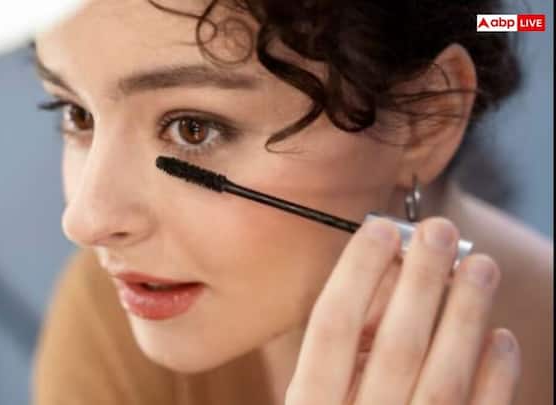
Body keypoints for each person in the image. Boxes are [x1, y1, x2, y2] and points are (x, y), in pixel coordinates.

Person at [30, 1, 553, 404]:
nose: (85, 221)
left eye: (193, 128)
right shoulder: (110, 316)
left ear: (425, 121)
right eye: (77, 114)